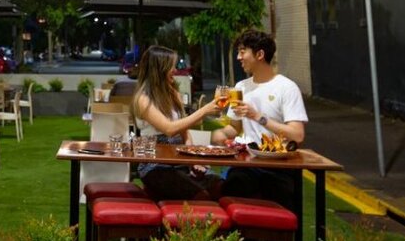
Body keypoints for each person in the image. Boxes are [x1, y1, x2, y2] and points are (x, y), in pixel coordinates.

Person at [211, 30, 308, 209]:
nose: (238, 57)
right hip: (248, 163)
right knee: (231, 189)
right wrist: (220, 134)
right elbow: (234, 127)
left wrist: (257, 116)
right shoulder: (241, 87)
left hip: (279, 167)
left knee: (279, 207)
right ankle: (243, 238)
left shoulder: (286, 88)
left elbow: (297, 135)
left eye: (242, 51)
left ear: (260, 54)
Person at [132, 45, 223, 201]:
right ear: (159, 69)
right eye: (171, 66)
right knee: (201, 196)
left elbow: (184, 131)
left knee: (220, 186)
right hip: (155, 165)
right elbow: (169, 129)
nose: (175, 70)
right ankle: (183, 225)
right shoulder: (143, 99)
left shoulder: (173, 92)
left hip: (179, 160)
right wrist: (204, 111)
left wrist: (192, 161)